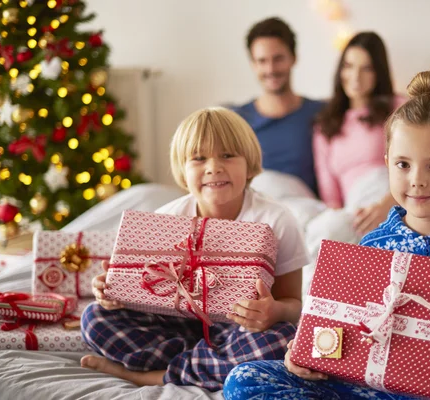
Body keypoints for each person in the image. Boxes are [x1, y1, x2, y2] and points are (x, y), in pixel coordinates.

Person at [223, 71, 430, 400]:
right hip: (365, 387)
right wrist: (304, 355)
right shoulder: (376, 243)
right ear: (387, 164)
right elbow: (347, 336)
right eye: (403, 164)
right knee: (244, 378)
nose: (417, 180)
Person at [80, 107, 309, 391]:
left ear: (249, 165)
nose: (213, 167)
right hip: (176, 325)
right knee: (93, 318)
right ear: (183, 171)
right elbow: (143, 288)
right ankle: (204, 363)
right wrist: (115, 292)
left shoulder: (276, 220)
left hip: (239, 330)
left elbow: (293, 306)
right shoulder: (167, 217)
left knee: (282, 340)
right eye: (199, 158)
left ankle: (153, 376)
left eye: (227, 155)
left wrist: (273, 311)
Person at [313, 31, 404, 236]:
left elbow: (416, 165)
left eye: (367, 68)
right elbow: (331, 199)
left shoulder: (398, 109)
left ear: (378, 73)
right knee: (326, 230)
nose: (355, 77)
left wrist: (385, 206)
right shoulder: (325, 125)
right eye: (348, 66)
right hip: (355, 212)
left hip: (393, 198)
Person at [233, 17, 324, 194]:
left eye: (278, 58)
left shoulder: (321, 113)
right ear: (253, 65)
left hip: (306, 211)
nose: (271, 69)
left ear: (294, 58)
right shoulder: (237, 121)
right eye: (262, 61)